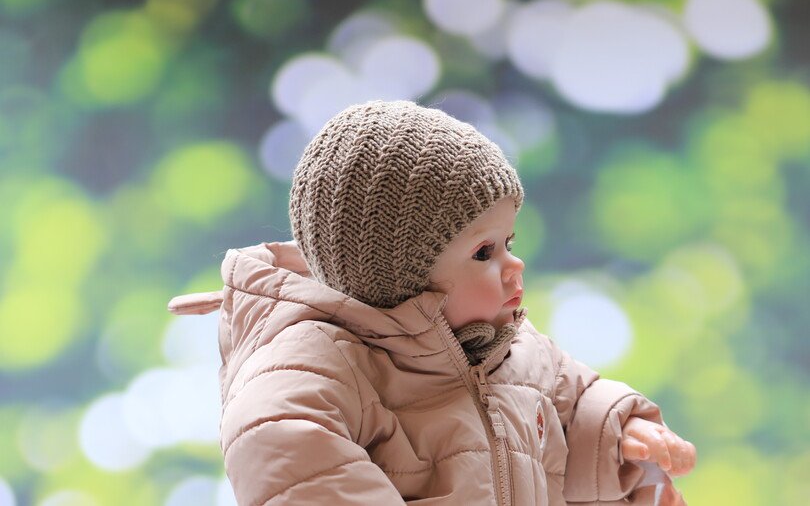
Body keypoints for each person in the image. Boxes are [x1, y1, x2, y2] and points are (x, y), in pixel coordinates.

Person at [168, 100, 696, 505]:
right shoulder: (311, 374)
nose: (515, 266)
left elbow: (572, 406)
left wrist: (622, 439)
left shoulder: (511, 349)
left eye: (509, 243)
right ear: (398, 272)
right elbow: (295, 466)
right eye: (484, 251)